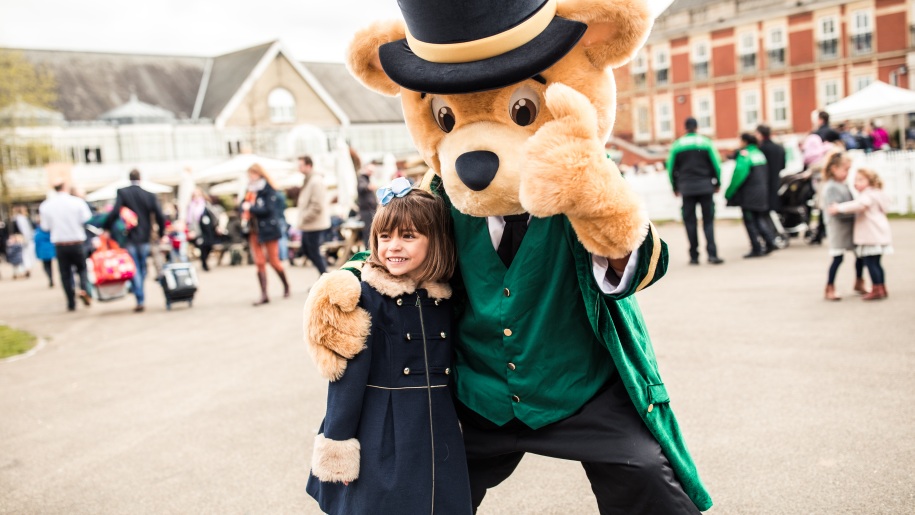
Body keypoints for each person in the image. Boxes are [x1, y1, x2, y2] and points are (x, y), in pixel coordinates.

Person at [305, 178, 472, 515]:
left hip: (438, 433)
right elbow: (346, 381)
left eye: (408, 236)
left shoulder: (445, 298)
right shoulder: (366, 299)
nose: (393, 246)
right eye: (385, 236)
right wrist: (338, 445)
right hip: (382, 435)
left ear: (435, 241)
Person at [103, 169, 166, 313]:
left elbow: (114, 212)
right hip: (145, 237)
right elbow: (160, 215)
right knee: (142, 265)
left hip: (129, 236)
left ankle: (139, 296)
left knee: (135, 266)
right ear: (140, 178)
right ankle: (139, 291)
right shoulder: (149, 195)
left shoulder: (123, 192)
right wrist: (162, 233)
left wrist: (106, 228)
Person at [666, 117, 725, 265]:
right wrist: (717, 182)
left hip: (687, 188)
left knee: (690, 222)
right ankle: (712, 254)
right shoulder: (706, 142)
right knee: (708, 221)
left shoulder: (677, 144)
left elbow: (670, 167)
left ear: (685, 128)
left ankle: (694, 256)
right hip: (706, 186)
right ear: (697, 127)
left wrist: (675, 186)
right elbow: (716, 164)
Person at [828, 168, 892, 301]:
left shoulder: (867, 195)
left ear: (871, 181)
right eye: (855, 180)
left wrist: (839, 208)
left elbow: (859, 205)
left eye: (860, 180)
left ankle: (876, 288)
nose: (856, 183)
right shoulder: (877, 194)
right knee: (877, 263)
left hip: (871, 236)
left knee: (871, 263)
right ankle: (881, 287)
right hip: (879, 234)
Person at [39, 180, 93, 311]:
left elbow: (45, 227)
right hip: (77, 242)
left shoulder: (46, 206)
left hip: (60, 244)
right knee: (82, 269)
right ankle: (84, 290)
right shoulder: (77, 202)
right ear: (66, 187)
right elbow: (87, 219)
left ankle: (71, 302)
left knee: (65, 274)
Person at [819, 152, 866, 301]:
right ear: (834, 169)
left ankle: (859, 281)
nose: (847, 173)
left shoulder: (843, 185)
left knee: (860, 255)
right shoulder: (831, 187)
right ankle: (830, 286)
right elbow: (835, 210)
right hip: (838, 228)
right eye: (845, 170)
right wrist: (853, 210)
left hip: (851, 226)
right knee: (838, 258)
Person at [241, 163, 290, 305]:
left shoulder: (269, 190)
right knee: (259, 262)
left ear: (259, 174)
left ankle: (286, 285)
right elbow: (242, 205)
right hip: (253, 230)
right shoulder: (249, 190)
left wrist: (251, 208)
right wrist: (243, 208)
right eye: (249, 175)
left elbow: (268, 210)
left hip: (269, 229)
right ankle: (264, 294)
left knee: (274, 261)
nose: (250, 177)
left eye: (253, 174)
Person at [726, 133, 779, 258]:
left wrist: (729, 192)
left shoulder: (745, 154)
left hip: (749, 194)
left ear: (744, 141)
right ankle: (770, 241)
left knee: (750, 221)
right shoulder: (759, 154)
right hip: (762, 191)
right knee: (759, 218)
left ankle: (757, 247)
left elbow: (738, 175)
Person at [294, 155, 330, 275]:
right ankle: (324, 276)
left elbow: (317, 206)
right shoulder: (309, 180)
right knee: (308, 250)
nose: (298, 168)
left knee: (313, 252)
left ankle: (325, 276)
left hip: (314, 224)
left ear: (308, 166)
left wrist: (303, 218)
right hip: (309, 224)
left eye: (301, 165)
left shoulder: (315, 181)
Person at [756, 124, 786, 240]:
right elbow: (783, 165)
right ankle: (774, 232)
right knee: (772, 208)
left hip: (764, 182)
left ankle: (770, 235)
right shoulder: (779, 148)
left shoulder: (761, 149)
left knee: (764, 211)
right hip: (776, 180)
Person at [187, 189, 220, 271]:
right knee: (202, 247)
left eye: (198, 195)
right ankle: (204, 264)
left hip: (208, 230)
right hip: (198, 230)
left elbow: (215, 215)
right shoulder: (191, 207)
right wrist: (191, 230)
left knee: (209, 246)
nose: (197, 197)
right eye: (195, 195)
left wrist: (216, 226)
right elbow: (189, 220)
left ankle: (204, 261)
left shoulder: (206, 205)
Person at [356, 164, 379, 248]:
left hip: (370, 209)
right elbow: (361, 188)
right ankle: (369, 248)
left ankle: (371, 248)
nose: (371, 172)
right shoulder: (362, 178)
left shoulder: (367, 179)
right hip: (366, 210)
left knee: (371, 230)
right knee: (368, 231)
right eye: (370, 170)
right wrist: (368, 187)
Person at [11, 206, 35, 278]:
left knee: (23, 255)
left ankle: (24, 269)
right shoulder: (19, 219)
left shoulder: (21, 219)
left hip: (23, 238)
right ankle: (24, 269)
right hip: (22, 239)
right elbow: (25, 230)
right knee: (23, 255)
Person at [33, 218, 56, 288]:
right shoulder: (50, 230)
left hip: (42, 251)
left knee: (46, 266)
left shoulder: (38, 231)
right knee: (50, 265)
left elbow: (36, 241)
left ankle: (50, 278)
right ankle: (51, 277)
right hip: (50, 250)